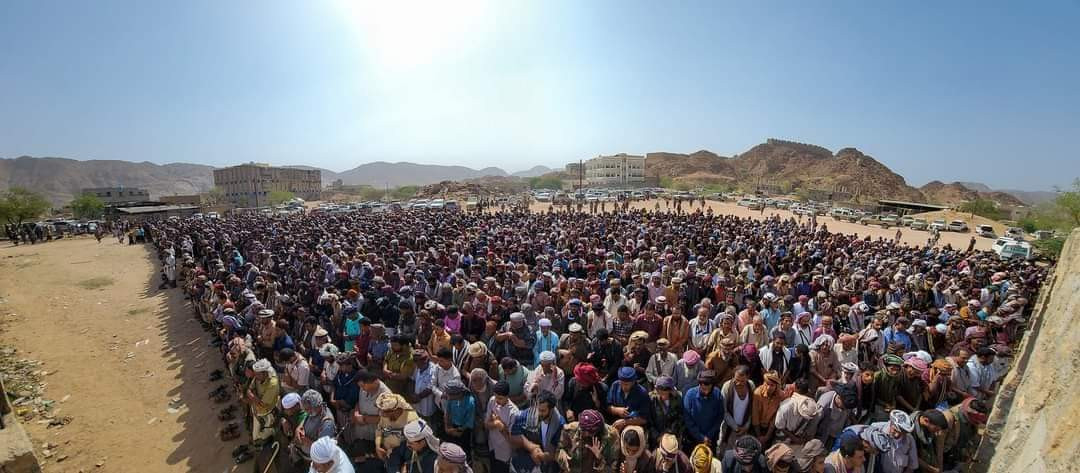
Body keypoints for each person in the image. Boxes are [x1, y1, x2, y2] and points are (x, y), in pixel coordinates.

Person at [510, 390, 564, 473]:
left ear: (551, 410)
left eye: (543, 411)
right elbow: (514, 434)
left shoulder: (559, 424)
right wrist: (531, 447)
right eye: (538, 409)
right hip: (526, 464)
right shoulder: (527, 415)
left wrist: (540, 455)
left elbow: (558, 451)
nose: (539, 413)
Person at [485, 381, 519, 473]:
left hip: (504, 452)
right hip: (492, 446)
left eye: (500, 398)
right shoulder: (492, 401)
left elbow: (512, 440)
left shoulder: (514, 413)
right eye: (496, 396)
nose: (497, 401)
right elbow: (486, 424)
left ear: (507, 396)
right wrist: (496, 424)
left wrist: (502, 427)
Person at [683, 370, 724, 448]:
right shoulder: (690, 395)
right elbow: (687, 419)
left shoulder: (717, 393)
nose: (706, 391)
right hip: (693, 439)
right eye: (703, 388)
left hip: (711, 439)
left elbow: (720, 416)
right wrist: (701, 437)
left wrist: (709, 436)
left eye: (708, 388)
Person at [246, 358, 281, 445]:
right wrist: (255, 398)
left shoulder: (273, 383)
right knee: (255, 436)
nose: (255, 376)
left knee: (258, 437)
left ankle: (271, 432)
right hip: (257, 409)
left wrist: (252, 396)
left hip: (267, 411)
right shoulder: (259, 375)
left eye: (258, 374)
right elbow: (249, 390)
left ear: (265, 373)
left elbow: (262, 404)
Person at [607, 366, 651, 431]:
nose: (623, 387)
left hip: (633, 426)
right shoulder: (615, 385)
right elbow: (608, 407)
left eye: (626, 384)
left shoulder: (642, 393)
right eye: (621, 383)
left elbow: (644, 419)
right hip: (614, 422)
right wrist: (616, 410)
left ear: (633, 382)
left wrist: (625, 422)